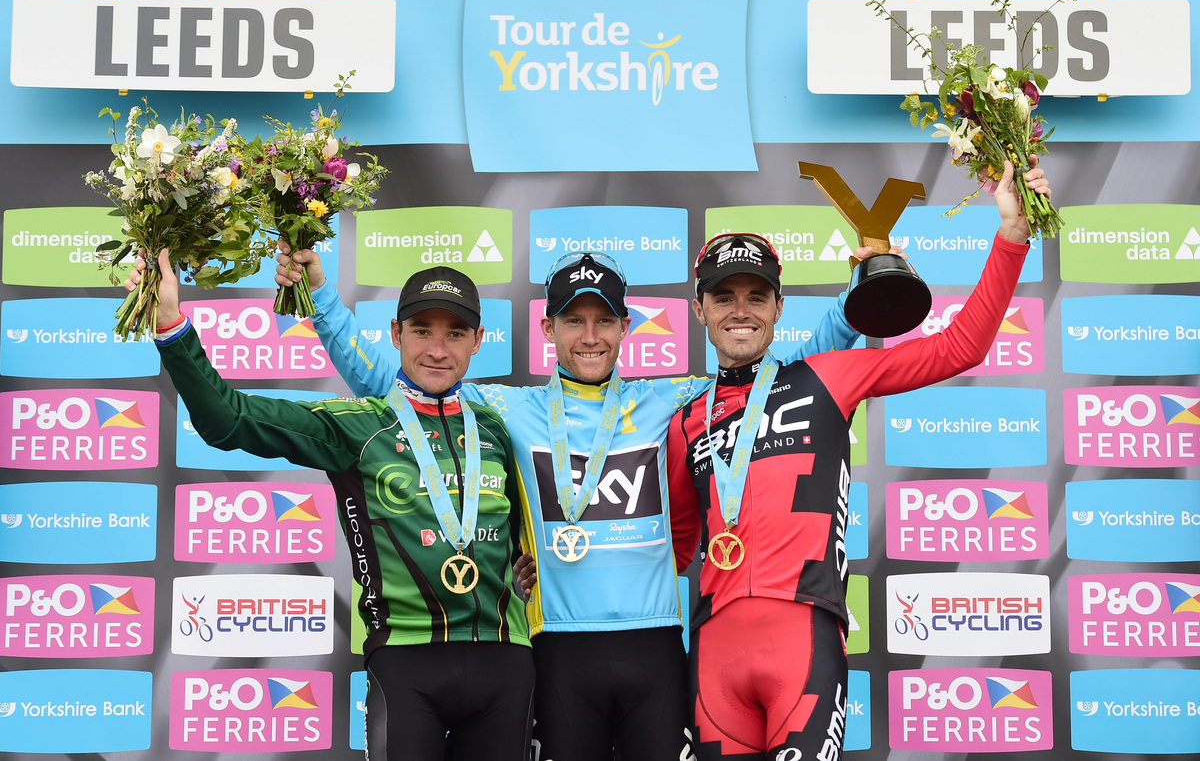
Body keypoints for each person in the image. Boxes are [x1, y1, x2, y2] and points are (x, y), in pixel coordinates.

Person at [275, 244, 872, 761]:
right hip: (557, 647)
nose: (590, 337)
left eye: (604, 320)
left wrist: (856, 299)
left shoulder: (675, 399)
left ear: (626, 327)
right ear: (547, 330)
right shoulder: (508, 409)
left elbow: (789, 379)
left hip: (657, 644)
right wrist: (321, 297)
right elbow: (391, 383)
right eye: (573, 320)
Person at [667, 159, 1051, 761]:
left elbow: (962, 346)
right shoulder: (685, 418)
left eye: (756, 296)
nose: (740, 310)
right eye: (724, 297)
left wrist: (1011, 234)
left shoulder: (828, 375)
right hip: (712, 653)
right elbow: (675, 547)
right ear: (700, 311)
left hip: (804, 637)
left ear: (778, 306)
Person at [130, 253, 533, 761]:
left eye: (455, 333)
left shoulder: (500, 426)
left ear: (477, 341)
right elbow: (225, 419)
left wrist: (532, 557)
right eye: (422, 329)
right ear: (395, 333)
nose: (437, 348)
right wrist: (171, 327)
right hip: (407, 667)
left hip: (507, 661)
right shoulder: (359, 427)